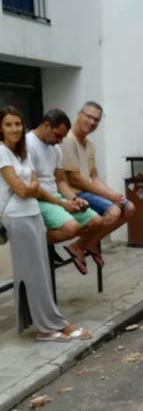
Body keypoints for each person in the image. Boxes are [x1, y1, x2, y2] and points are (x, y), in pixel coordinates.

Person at [0, 106, 91, 342]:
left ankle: (53, 322)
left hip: (32, 213)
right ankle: (46, 328)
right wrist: (28, 186)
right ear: (1, 128)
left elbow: (35, 187)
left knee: (40, 274)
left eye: (18, 124)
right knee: (33, 275)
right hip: (16, 217)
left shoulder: (22, 153)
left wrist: (61, 204)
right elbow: (22, 189)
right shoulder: (1, 152)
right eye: (8, 124)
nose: (14, 129)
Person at [26, 109, 103, 275]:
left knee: (96, 222)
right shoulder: (28, 145)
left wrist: (74, 199)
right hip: (38, 199)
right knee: (71, 228)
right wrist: (63, 204)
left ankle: (45, 241)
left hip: (55, 196)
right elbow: (34, 188)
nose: (60, 141)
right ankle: (34, 241)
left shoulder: (55, 148)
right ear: (46, 125)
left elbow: (60, 181)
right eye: (57, 135)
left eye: (62, 137)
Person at [61, 101, 135, 238]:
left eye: (96, 119)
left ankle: (89, 243)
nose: (92, 122)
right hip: (75, 193)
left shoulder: (90, 144)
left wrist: (114, 195)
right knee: (114, 212)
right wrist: (109, 196)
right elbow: (75, 180)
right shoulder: (68, 139)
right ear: (79, 114)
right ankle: (81, 245)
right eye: (88, 116)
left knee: (129, 208)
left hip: (88, 192)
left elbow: (93, 177)